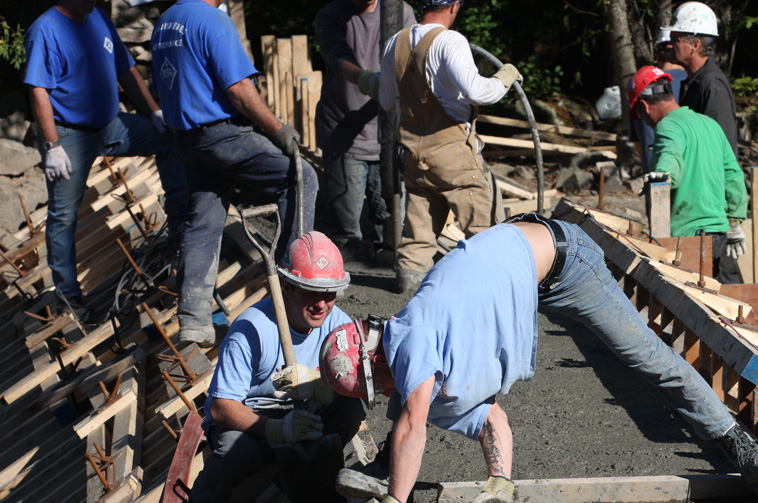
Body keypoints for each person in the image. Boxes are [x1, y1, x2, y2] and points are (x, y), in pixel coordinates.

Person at [320, 215, 758, 503]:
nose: (384, 392)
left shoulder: (415, 339)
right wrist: (499, 488)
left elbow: (413, 423)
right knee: (439, 389)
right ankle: (407, 470)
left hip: (570, 264)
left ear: (373, 353)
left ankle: (742, 449)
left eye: (377, 384)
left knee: (648, 357)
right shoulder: (410, 330)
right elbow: (467, 408)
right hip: (523, 271)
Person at [184, 232, 365, 503]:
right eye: (310, 292)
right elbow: (221, 407)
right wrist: (274, 430)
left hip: (306, 411)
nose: (321, 305)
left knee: (350, 410)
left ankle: (307, 478)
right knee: (235, 451)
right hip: (253, 417)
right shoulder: (251, 330)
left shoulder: (338, 326)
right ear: (287, 288)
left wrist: (319, 386)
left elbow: (359, 384)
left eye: (329, 294)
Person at [151, 0, 318, 346]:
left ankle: (194, 320)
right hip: (221, 135)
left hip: (187, 139)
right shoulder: (211, 20)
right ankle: (292, 291)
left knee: (204, 221)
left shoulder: (166, 21)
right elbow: (239, 89)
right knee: (301, 176)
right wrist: (277, 128)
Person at [24, 0, 189, 317]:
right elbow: (38, 91)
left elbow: (126, 69)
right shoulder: (45, 29)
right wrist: (52, 145)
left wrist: (153, 111)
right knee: (63, 214)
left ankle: (179, 230)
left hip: (110, 125)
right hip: (69, 134)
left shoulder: (98, 17)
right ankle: (68, 295)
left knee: (169, 140)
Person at [377, 0, 521, 294]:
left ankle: (409, 277)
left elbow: (387, 101)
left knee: (418, 228)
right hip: (453, 156)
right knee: (483, 224)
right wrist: (503, 79)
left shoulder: (394, 44)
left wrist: (371, 82)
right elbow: (477, 91)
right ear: (454, 6)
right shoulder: (450, 41)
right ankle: (489, 287)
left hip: (414, 156)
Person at [314, 0, 417, 259]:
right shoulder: (332, 14)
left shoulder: (400, 12)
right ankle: (347, 276)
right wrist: (365, 79)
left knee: (393, 229)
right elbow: (337, 56)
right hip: (344, 133)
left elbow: (413, 57)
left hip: (389, 136)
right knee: (346, 234)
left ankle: (387, 267)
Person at [628, 66, 746, 285]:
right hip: (718, 234)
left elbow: (670, 158)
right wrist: (734, 221)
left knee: (685, 302)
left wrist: (662, 177)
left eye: (639, 115)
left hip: (689, 239)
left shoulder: (667, 126)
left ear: (643, 106)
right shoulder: (709, 124)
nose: (643, 121)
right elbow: (733, 175)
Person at [668, 2, 738, 158]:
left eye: (675, 40)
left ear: (695, 45)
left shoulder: (712, 85)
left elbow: (719, 147)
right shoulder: (695, 82)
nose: (669, 46)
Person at [631, 27, 689, 173]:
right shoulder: (693, 83)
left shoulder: (638, 86)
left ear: (657, 55)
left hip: (653, 174)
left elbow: (637, 141)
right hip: (685, 175)